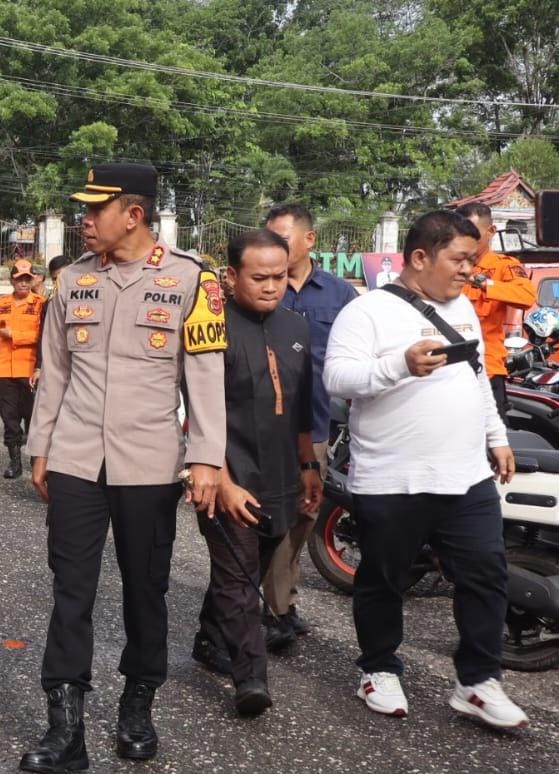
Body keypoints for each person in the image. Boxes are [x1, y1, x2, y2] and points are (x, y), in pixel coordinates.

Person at [19, 164, 227, 773]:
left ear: (133, 215)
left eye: (95, 210)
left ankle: (138, 704)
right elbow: (55, 371)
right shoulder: (72, 281)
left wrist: (206, 457)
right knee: (70, 590)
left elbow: (205, 376)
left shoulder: (192, 280)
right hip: (77, 457)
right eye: (83, 210)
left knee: (146, 589)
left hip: (150, 462)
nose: (84, 220)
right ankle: (66, 727)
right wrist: (41, 447)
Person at [324, 210, 527, 730]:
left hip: (466, 476)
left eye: (472, 260)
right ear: (419, 257)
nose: (468, 271)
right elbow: (337, 377)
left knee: (486, 575)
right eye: (459, 259)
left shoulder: (462, 307)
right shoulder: (367, 312)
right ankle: (378, 669)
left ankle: (477, 681)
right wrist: (401, 365)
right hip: (393, 478)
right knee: (384, 579)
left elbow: (476, 377)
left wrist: (496, 437)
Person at [191, 230, 321, 717]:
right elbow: (194, 411)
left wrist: (308, 465)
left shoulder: (296, 326)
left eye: (280, 276)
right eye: (259, 277)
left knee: (248, 571)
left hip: (282, 476)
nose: (271, 286)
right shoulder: (210, 327)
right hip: (227, 476)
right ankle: (250, 677)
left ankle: (209, 639)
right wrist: (221, 480)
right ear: (231, 276)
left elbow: (302, 406)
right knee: (239, 578)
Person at [259, 203, 358, 650]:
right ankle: (275, 609)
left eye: (281, 238)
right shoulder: (261, 288)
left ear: (309, 240)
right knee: (273, 518)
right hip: (266, 425)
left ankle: (282, 599)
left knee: (305, 515)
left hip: (316, 424)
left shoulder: (339, 295)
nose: (273, 248)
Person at [456, 201, 536, 418]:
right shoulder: (447, 265)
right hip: (448, 371)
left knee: (492, 435)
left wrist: (482, 282)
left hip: (487, 370)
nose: (465, 239)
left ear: (491, 231)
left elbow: (526, 296)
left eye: (472, 232)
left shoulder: (504, 266)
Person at [0, 259, 45, 479]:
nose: (23, 283)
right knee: (9, 418)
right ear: (12, 280)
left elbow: (43, 336)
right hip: (5, 372)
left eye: (27, 279)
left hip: (29, 370)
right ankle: (15, 462)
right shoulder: (2, 303)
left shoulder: (40, 304)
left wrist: (16, 336)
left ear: (33, 280)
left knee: (33, 418)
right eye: (19, 279)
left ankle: (35, 460)